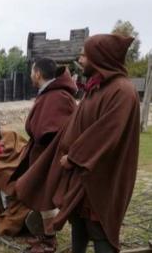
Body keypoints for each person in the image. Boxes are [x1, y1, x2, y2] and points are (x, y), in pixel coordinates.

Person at [16, 34, 140, 253]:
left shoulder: (121, 91)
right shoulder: (97, 88)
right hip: (82, 174)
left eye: (85, 55)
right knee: (79, 223)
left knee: (99, 228)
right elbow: (75, 125)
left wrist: (74, 157)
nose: (80, 59)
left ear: (100, 58)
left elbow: (105, 133)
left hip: (102, 176)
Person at [12, 58, 78, 252]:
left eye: (33, 72)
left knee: (46, 197)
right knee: (41, 197)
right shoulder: (50, 93)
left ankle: (50, 241)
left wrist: (38, 131)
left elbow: (56, 129)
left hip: (49, 156)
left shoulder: (58, 96)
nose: (32, 75)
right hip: (42, 154)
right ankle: (45, 235)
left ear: (38, 73)